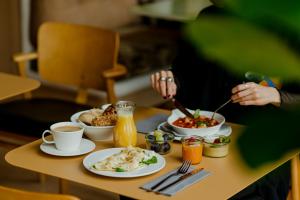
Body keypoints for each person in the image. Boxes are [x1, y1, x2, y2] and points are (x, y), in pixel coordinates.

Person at [150, 3, 299, 200]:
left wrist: (275, 96)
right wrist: (170, 81)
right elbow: (184, 72)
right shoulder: (209, 17)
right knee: (147, 183)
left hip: (260, 149)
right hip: (201, 141)